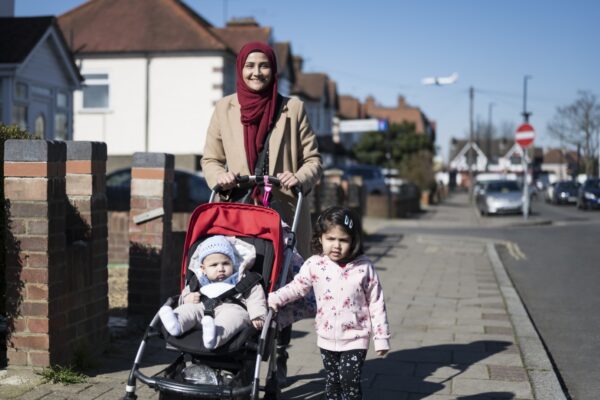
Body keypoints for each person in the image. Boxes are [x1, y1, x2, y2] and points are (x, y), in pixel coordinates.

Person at [201, 41, 322, 260]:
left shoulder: (293, 108)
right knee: (241, 276)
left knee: (287, 279)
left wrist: (299, 177)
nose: (256, 72)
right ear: (240, 69)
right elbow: (211, 159)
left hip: (285, 211)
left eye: (264, 66)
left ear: (273, 70)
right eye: (250, 66)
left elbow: (313, 160)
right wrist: (221, 176)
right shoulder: (223, 108)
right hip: (238, 210)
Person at [268, 207, 390, 400]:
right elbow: (297, 287)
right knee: (332, 382)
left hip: (355, 336)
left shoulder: (364, 267)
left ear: (354, 241)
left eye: (343, 240)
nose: (336, 245)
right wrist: (275, 298)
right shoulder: (315, 265)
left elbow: (376, 302)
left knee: (349, 381)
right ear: (320, 238)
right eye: (331, 239)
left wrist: (381, 337)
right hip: (326, 337)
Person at [158, 235, 267, 349]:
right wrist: (187, 298)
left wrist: (257, 315)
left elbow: (255, 295)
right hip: (203, 308)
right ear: (203, 269)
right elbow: (185, 294)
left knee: (233, 318)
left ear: (233, 263)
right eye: (214, 265)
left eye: (225, 263)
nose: (220, 268)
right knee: (189, 309)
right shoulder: (198, 280)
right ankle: (176, 324)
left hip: (232, 308)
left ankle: (214, 335)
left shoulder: (242, 278)